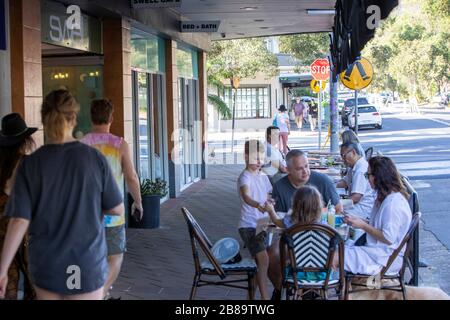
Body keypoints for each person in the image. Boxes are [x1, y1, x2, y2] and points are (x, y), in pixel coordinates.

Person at [0, 90, 124, 300]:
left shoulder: (31, 165)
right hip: (86, 262)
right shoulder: (94, 159)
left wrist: (2, 271)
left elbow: (19, 220)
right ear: (74, 118)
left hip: (48, 265)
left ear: (44, 120)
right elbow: (116, 208)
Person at [81, 99, 143, 299]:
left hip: (86, 215)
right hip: (113, 213)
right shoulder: (119, 144)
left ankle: (97, 291)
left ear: (91, 117)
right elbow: (131, 176)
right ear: (111, 118)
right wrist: (138, 201)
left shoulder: (81, 144)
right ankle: (99, 293)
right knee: (115, 257)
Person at [333, 156, 412, 275]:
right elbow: (380, 226)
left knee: (333, 256)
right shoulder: (385, 197)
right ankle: (344, 289)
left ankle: (338, 289)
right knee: (337, 249)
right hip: (377, 253)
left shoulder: (392, 204)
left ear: (378, 177)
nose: (367, 179)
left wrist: (363, 225)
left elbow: (388, 237)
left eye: (368, 175)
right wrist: (361, 221)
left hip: (383, 259)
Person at [0, 113, 36, 300]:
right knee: (33, 281)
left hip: (1, 226)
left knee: (7, 283)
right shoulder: (27, 163)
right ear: (25, 140)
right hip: (22, 224)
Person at [237, 140, 277, 300]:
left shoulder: (263, 176)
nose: (260, 162)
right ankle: (265, 299)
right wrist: (258, 204)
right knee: (264, 260)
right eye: (256, 158)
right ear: (246, 157)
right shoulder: (244, 177)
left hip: (262, 224)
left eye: (261, 158)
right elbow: (246, 196)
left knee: (258, 263)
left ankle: (251, 298)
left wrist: (269, 202)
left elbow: (268, 195)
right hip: (248, 225)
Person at [272, 149, 343, 215]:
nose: (305, 171)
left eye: (306, 166)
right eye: (299, 169)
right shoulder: (279, 187)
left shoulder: (323, 181)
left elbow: (338, 209)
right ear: (288, 170)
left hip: (321, 227)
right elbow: (279, 217)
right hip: (292, 228)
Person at [336, 142, 376, 219]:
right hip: (357, 205)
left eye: (344, 156)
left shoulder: (360, 170)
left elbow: (356, 197)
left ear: (353, 152)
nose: (343, 159)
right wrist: (330, 185)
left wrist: (338, 204)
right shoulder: (353, 166)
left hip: (363, 208)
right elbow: (344, 182)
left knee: (334, 213)